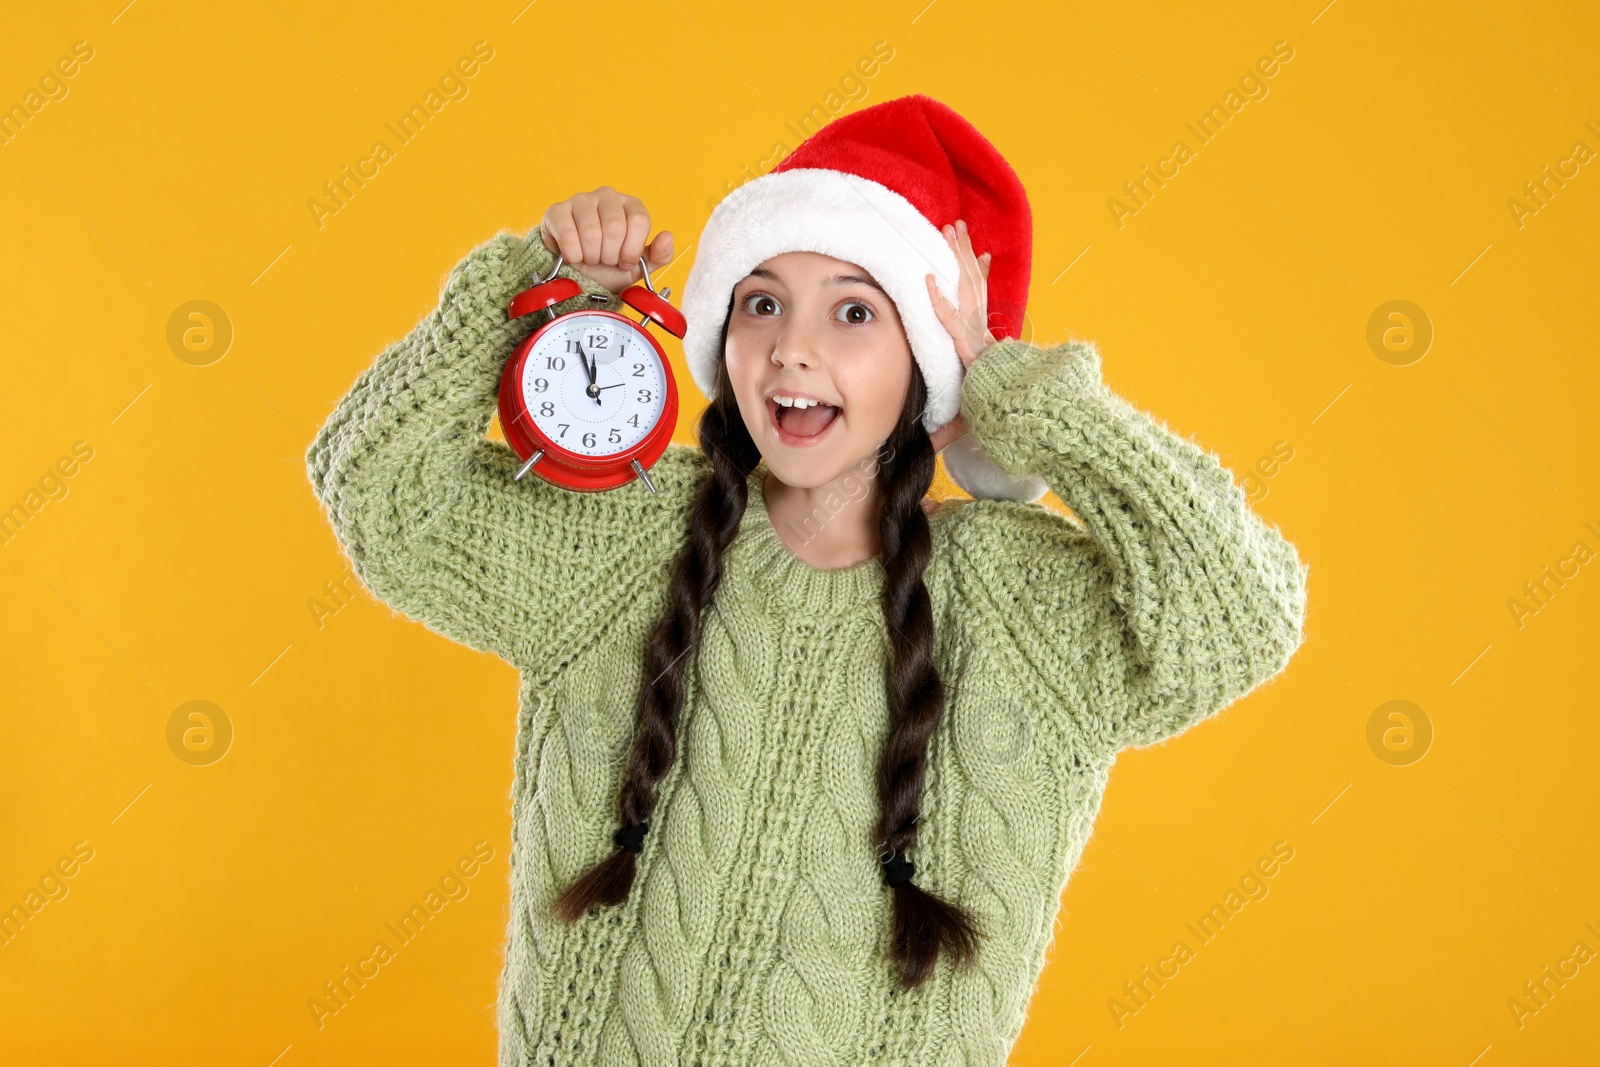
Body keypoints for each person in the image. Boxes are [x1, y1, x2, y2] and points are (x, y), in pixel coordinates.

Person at [306, 93, 1308, 1067]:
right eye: (762, 302)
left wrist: (1023, 396)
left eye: (854, 311)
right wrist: (528, 287)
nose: (793, 345)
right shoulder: (630, 535)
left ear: (929, 362)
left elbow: (1242, 615)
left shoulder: (1017, 603)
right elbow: (381, 492)